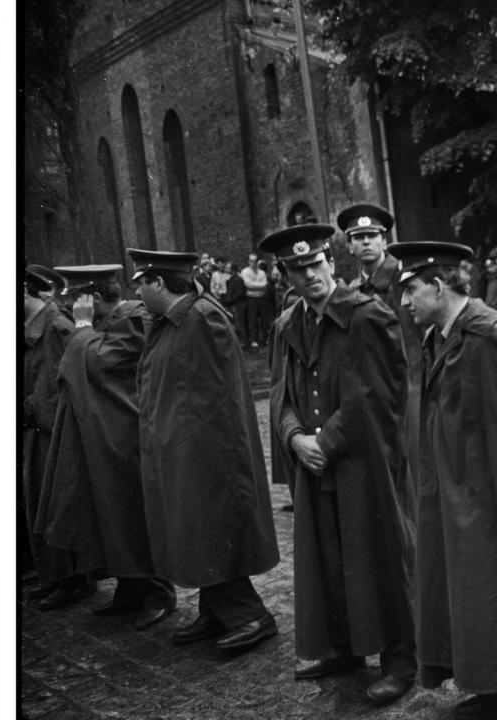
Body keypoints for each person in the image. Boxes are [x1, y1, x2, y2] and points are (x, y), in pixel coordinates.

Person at [390, 241, 497, 720]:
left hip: (490, 500)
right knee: (470, 595)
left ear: (439, 286)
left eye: (411, 290)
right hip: (453, 490)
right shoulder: (443, 334)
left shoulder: (490, 337)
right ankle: (491, 686)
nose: (404, 302)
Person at [260, 224, 417, 703]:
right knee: (329, 556)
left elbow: (379, 394)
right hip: (314, 461)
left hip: (362, 462)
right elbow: (280, 392)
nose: (311, 275)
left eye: (316, 264)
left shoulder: (366, 315)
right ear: (285, 273)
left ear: (332, 262)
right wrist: (292, 437)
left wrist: (323, 443)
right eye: (298, 268)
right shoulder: (289, 324)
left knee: (379, 555)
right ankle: (345, 647)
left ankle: (401, 660)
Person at [127, 248, 281, 653]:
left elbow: (220, 397)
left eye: (141, 284)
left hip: (204, 452)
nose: (139, 293)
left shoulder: (202, 317)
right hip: (181, 448)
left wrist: (197, 449)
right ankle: (217, 609)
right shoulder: (171, 321)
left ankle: (250, 615)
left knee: (210, 529)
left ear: (158, 282)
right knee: (198, 533)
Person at [39, 264, 175, 631]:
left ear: (94, 298)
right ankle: (131, 589)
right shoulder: (110, 321)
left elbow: (99, 363)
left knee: (136, 516)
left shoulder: (132, 318)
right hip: (109, 435)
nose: (69, 308)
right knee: (115, 516)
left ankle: (158, 592)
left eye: (75, 300)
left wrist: (83, 330)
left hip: (130, 435)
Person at [340, 202, 424, 512]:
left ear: (384, 240)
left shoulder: (407, 282)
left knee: (416, 479)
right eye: (358, 237)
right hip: (373, 399)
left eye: (372, 235)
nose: (366, 242)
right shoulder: (350, 293)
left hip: (412, 394)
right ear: (349, 246)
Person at [23, 265, 97, 610]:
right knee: (39, 501)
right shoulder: (31, 328)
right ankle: (56, 576)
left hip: (58, 430)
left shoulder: (57, 325)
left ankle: (74, 581)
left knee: (60, 503)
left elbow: (81, 374)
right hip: (37, 429)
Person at [239, 253, 270, 347]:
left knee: (264, 319)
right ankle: (254, 340)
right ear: (248, 262)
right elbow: (248, 284)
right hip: (251, 298)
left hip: (262, 297)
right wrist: (259, 285)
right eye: (251, 261)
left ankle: (265, 339)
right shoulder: (245, 272)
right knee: (253, 319)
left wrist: (256, 285)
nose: (253, 263)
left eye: (255, 261)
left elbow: (265, 284)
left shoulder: (262, 272)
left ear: (257, 262)